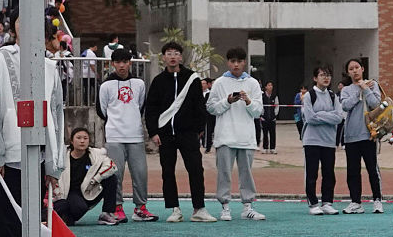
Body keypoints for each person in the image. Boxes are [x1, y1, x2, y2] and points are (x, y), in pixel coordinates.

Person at [0, 16, 65, 237]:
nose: (29, 24)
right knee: (6, 227)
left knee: (31, 228)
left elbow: (56, 117)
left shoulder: (50, 68)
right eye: (22, 19)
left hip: (36, 161)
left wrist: (53, 165)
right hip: (2, 164)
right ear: (13, 28)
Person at [144, 40, 216, 223]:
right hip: (165, 135)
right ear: (163, 57)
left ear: (181, 57)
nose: (172, 57)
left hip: (188, 133)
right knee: (167, 171)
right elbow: (151, 108)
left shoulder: (192, 79)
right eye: (169, 53)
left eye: (176, 53)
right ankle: (174, 209)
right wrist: (154, 132)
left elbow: (199, 105)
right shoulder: (158, 81)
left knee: (196, 169)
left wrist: (199, 129)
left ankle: (199, 208)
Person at [206, 47, 266, 221]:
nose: (236, 65)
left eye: (239, 61)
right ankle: (225, 207)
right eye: (233, 61)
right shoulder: (219, 83)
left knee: (246, 173)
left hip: (246, 137)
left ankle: (248, 207)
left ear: (244, 62)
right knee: (224, 173)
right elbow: (211, 108)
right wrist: (227, 101)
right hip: (225, 137)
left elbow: (258, 111)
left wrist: (248, 101)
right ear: (228, 62)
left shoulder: (253, 83)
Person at [96, 47, 155, 222]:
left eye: (125, 62)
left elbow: (141, 106)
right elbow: (101, 110)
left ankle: (140, 208)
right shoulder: (106, 86)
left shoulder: (139, 84)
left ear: (130, 63)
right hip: (114, 136)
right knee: (115, 175)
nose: (122, 65)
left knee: (140, 174)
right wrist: (116, 122)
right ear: (112, 64)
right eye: (118, 62)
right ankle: (117, 208)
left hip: (135, 136)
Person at [340, 57, 384, 214]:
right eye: (351, 69)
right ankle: (355, 202)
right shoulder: (346, 90)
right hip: (351, 136)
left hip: (369, 134)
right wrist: (359, 91)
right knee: (353, 171)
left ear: (363, 69)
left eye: (357, 67)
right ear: (348, 73)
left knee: (372, 169)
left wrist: (366, 88)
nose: (355, 71)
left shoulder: (373, 85)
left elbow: (376, 104)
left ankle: (377, 200)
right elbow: (345, 106)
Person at [52, 127, 121, 226]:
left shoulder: (96, 154)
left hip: (90, 189)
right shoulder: (62, 156)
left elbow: (111, 166)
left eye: (85, 138)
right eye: (78, 138)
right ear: (71, 141)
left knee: (111, 178)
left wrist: (96, 178)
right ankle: (66, 217)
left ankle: (107, 213)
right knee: (78, 208)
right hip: (70, 193)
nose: (82, 141)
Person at [301, 65, 342, 216]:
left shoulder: (333, 96)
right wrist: (329, 115)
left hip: (329, 141)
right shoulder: (309, 95)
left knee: (329, 174)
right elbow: (310, 118)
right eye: (322, 75)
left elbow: (339, 117)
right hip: (312, 141)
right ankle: (313, 204)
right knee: (312, 173)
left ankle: (327, 202)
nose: (326, 78)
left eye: (328, 75)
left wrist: (320, 114)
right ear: (315, 78)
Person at [260, 81, 279, 154]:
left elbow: (277, 106)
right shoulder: (262, 96)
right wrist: (262, 115)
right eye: (269, 85)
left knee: (272, 133)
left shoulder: (274, 96)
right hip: (264, 118)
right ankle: (265, 148)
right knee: (265, 133)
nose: (270, 86)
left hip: (272, 118)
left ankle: (272, 148)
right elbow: (260, 105)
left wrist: (275, 115)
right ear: (265, 87)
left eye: (271, 85)